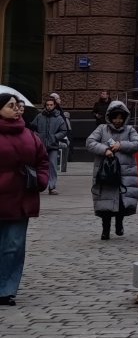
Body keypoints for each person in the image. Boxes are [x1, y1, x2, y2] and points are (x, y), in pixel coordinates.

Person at [0, 92, 49, 305]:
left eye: (18, 105)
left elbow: (42, 160)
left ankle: (5, 290)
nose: (17, 109)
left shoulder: (30, 135)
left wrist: (41, 179)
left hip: (21, 199)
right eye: (11, 105)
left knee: (13, 246)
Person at [86, 100, 138, 241]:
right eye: (115, 117)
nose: (118, 121)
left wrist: (121, 145)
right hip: (105, 173)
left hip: (124, 173)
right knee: (105, 203)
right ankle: (105, 230)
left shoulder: (130, 130)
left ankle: (119, 223)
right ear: (110, 117)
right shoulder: (101, 129)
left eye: (120, 118)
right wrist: (105, 150)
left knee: (122, 202)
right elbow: (90, 142)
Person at [31, 95, 70, 196]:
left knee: (52, 166)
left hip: (53, 146)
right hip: (40, 146)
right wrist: (37, 136)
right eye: (47, 105)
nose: (49, 106)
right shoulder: (40, 116)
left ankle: (52, 187)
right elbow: (33, 128)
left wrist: (55, 137)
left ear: (54, 105)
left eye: (51, 105)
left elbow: (64, 131)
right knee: (38, 165)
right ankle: (37, 185)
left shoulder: (59, 117)